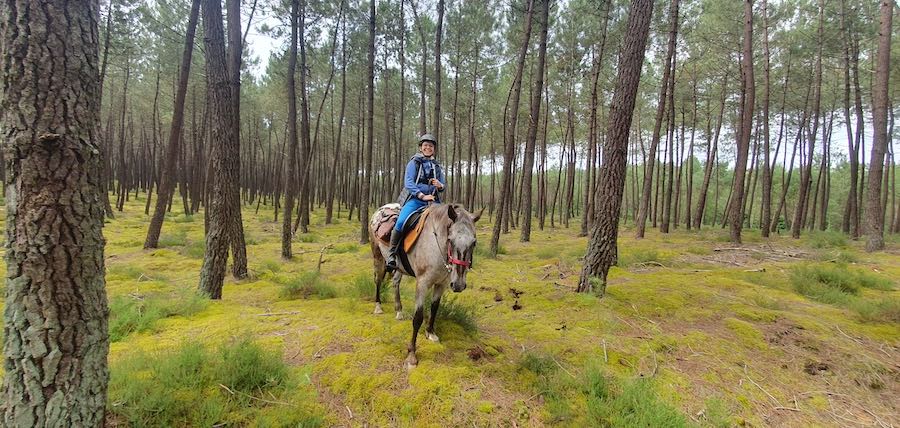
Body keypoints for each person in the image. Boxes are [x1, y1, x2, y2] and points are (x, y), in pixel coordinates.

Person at [386, 133, 446, 271]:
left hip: (434, 202)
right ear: (421, 148)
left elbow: (443, 185)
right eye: (425, 145)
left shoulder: (437, 166)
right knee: (401, 222)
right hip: (416, 200)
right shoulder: (414, 162)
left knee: (445, 223)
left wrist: (440, 185)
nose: (428, 148)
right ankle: (391, 255)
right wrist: (422, 195)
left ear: (434, 149)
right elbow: (408, 182)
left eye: (430, 146)